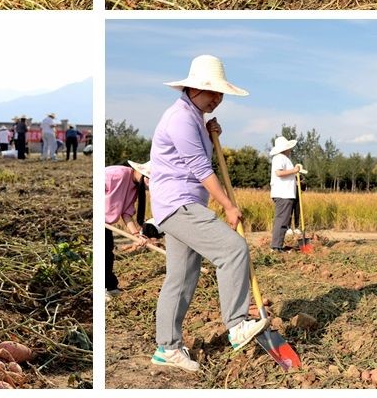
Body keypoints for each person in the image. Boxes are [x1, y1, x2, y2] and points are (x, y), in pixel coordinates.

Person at [148, 55, 268, 373]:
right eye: (211, 92)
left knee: (182, 277)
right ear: (192, 89)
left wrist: (209, 129)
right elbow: (201, 169)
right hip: (179, 204)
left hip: (178, 204)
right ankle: (238, 324)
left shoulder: (193, 117)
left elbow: (199, 156)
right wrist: (228, 206)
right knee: (233, 249)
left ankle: (168, 349)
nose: (217, 99)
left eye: (220, 94)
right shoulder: (181, 120)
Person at [105, 160, 151, 299]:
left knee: (108, 252)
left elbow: (126, 212)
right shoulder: (117, 174)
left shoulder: (135, 187)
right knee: (103, 253)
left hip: (106, 223)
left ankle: (110, 286)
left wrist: (136, 235)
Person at [269, 136, 306, 251]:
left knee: (284, 220)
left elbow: (285, 176)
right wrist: (294, 171)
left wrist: (296, 180)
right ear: (284, 148)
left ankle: (278, 245)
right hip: (283, 194)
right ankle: (276, 247)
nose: (290, 150)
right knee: (281, 220)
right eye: (288, 148)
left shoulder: (284, 158)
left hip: (287, 194)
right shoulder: (279, 158)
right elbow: (279, 173)